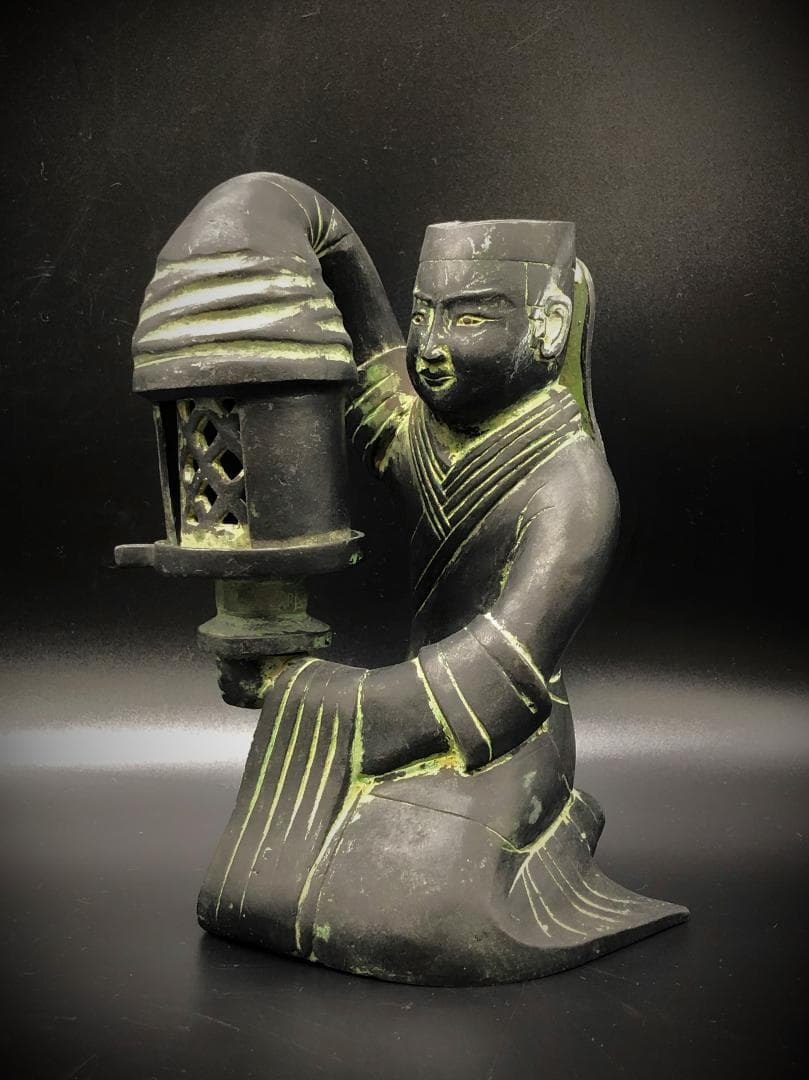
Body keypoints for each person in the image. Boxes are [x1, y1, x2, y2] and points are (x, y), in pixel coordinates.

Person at [146, 173, 687, 984]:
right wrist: (324, 236)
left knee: (416, 914)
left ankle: (548, 828)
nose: (429, 346)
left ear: (546, 327)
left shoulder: (571, 487)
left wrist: (319, 693)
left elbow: (505, 671)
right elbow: (376, 364)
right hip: (413, 716)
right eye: (423, 313)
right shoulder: (427, 437)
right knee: (264, 887)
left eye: (468, 318)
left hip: (506, 741)